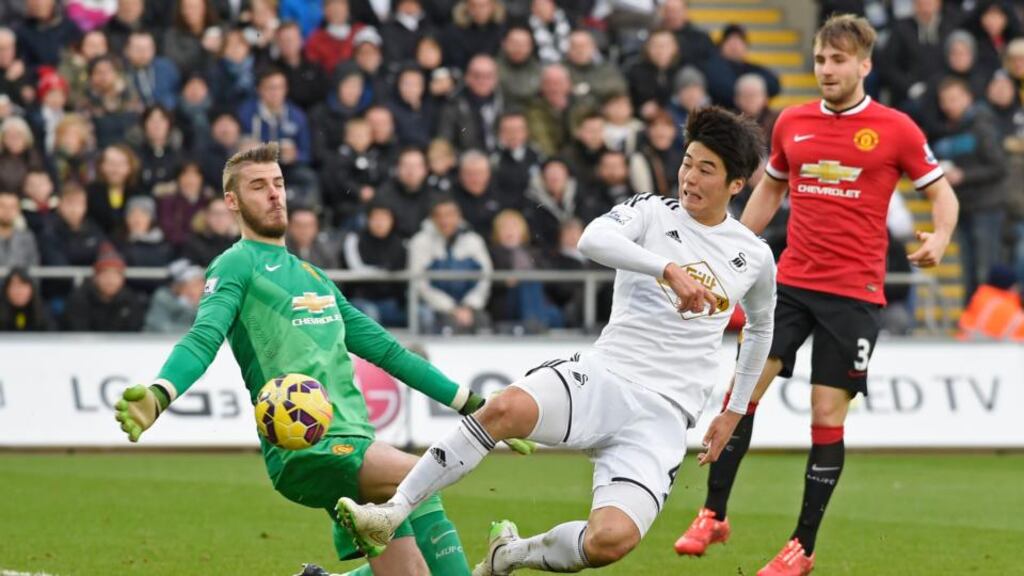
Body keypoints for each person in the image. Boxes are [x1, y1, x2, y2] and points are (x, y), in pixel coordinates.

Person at [338, 106, 777, 575]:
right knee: (504, 409)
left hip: (666, 415)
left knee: (611, 541)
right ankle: (391, 513)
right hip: (606, 376)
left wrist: (734, 412)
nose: (689, 176)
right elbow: (592, 239)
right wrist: (664, 268)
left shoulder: (753, 256)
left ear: (736, 185)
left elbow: (761, 327)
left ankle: (511, 554)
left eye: (706, 169)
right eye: (687, 161)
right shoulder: (650, 211)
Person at [111, 143, 524, 576]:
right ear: (231, 201)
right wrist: (160, 393)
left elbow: (388, 352)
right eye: (258, 186)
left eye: (278, 183)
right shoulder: (234, 265)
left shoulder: (314, 277)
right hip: (309, 447)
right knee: (422, 477)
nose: (274, 194)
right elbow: (203, 337)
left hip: (358, 442)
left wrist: (475, 405)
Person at [673, 16, 960, 576]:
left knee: (825, 413)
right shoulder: (792, 123)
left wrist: (942, 237)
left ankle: (801, 547)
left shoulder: (896, 129)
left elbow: (941, 194)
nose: (826, 70)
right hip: (791, 284)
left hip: (854, 296)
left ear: (863, 65)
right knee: (742, 389)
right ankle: (713, 512)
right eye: (820, 60)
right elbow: (770, 190)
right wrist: (733, 254)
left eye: (837, 61)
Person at [408, 195, 493, 334]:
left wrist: (469, 306)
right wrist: (451, 308)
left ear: (458, 216)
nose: (444, 221)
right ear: (432, 218)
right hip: (436, 308)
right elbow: (420, 284)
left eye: (449, 215)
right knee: (445, 325)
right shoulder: (420, 242)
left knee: (483, 324)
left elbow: (485, 278)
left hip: (471, 308)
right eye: (439, 215)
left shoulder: (474, 240)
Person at [63, 244, 148, 332]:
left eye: (115, 275)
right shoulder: (79, 299)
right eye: (105, 274)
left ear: (122, 279)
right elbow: (77, 331)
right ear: (95, 277)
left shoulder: (130, 301)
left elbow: (134, 332)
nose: (110, 280)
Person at [143, 259, 205, 333]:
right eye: (196, 284)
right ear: (181, 286)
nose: (202, 288)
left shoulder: (205, 302)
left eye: (202, 283)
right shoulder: (162, 297)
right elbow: (162, 327)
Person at [0, 267, 55, 332]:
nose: (18, 291)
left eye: (22, 286)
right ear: (6, 289)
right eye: (14, 286)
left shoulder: (43, 312)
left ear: (31, 289)